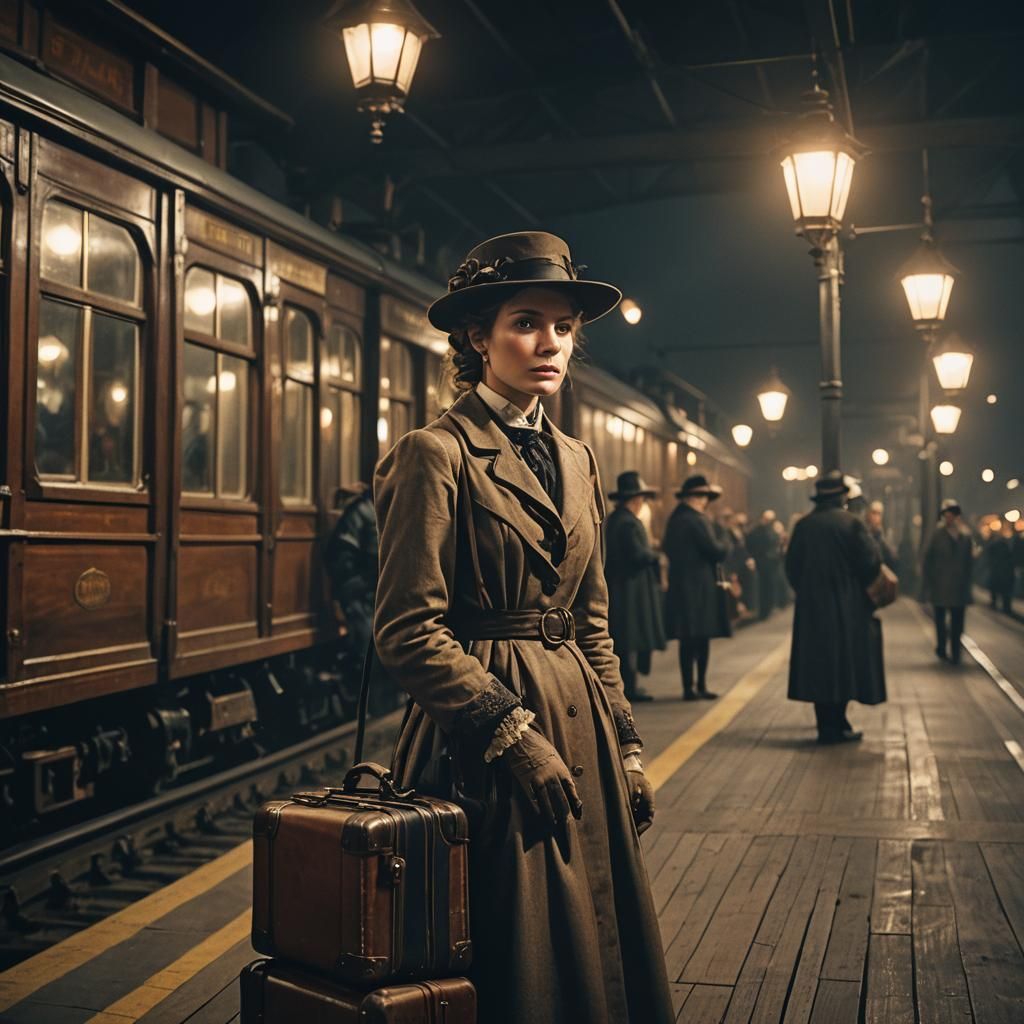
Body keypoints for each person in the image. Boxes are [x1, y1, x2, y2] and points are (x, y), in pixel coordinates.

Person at [373, 231, 673, 1024]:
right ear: (478, 336)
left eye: (564, 327)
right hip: (483, 741)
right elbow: (407, 629)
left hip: (583, 727)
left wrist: (629, 747)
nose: (550, 343)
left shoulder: (577, 458)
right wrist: (512, 733)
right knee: (516, 943)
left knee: (596, 927)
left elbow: (592, 620)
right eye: (526, 322)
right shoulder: (434, 454)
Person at [785, 471, 885, 744]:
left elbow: (791, 567)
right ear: (842, 497)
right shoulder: (851, 524)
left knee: (818, 664)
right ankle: (839, 722)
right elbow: (871, 562)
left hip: (811, 608)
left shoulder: (804, 525)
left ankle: (825, 725)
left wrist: (806, 590)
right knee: (844, 664)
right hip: (847, 605)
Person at [662, 474, 731, 701]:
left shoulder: (675, 518)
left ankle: (688, 688)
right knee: (701, 637)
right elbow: (716, 550)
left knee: (687, 639)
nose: (705, 501)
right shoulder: (697, 520)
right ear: (691, 497)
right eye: (701, 496)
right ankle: (700, 685)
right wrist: (725, 540)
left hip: (681, 584)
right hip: (701, 587)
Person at [604, 471, 666, 703]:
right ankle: (629, 687)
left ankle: (629, 685)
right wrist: (655, 556)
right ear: (635, 499)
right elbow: (637, 554)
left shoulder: (616, 519)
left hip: (622, 586)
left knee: (625, 639)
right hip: (629, 589)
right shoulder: (628, 522)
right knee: (628, 639)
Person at [324, 482, 386, 709]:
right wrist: (358, 584)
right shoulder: (361, 511)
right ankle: (371, 702)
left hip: (375, 590)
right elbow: (341, 553)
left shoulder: (380, 509)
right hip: (360, 592)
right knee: (368, 641)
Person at [922, 498, 974, 663]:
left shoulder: (965, 537)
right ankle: (942, 648)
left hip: (959, 586)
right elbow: (928, 559)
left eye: (952, 515)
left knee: (958, 621)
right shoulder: (937, 535)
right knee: (940, 619)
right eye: (946, 515)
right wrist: (930, 579)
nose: (949, 518)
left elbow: (969, 562)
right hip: (941, 584)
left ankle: (956, 651)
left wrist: (967, 582)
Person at [747, 509, 782, 619]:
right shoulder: (757, 531)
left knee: (769, 586)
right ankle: (764, 610)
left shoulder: (770, 530)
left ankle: (768, 608)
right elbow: (753, 545)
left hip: (770, 562)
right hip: (763, 562)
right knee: (764, 587)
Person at [985, 520, 1017, 615]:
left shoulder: (1009, 543)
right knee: (1001, 588)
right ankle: (1002, 605)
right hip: (1001, 570)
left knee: (1003, 589)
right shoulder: (999, 544)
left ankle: (1003, 605)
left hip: (1004, 570)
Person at [866, 500, 899, 573]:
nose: (875, 517)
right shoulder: (864, 530)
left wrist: (881, 536)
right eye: (873, 513)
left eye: (878, 514)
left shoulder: (887, 532)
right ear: (868, 514)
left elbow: (893, 556)